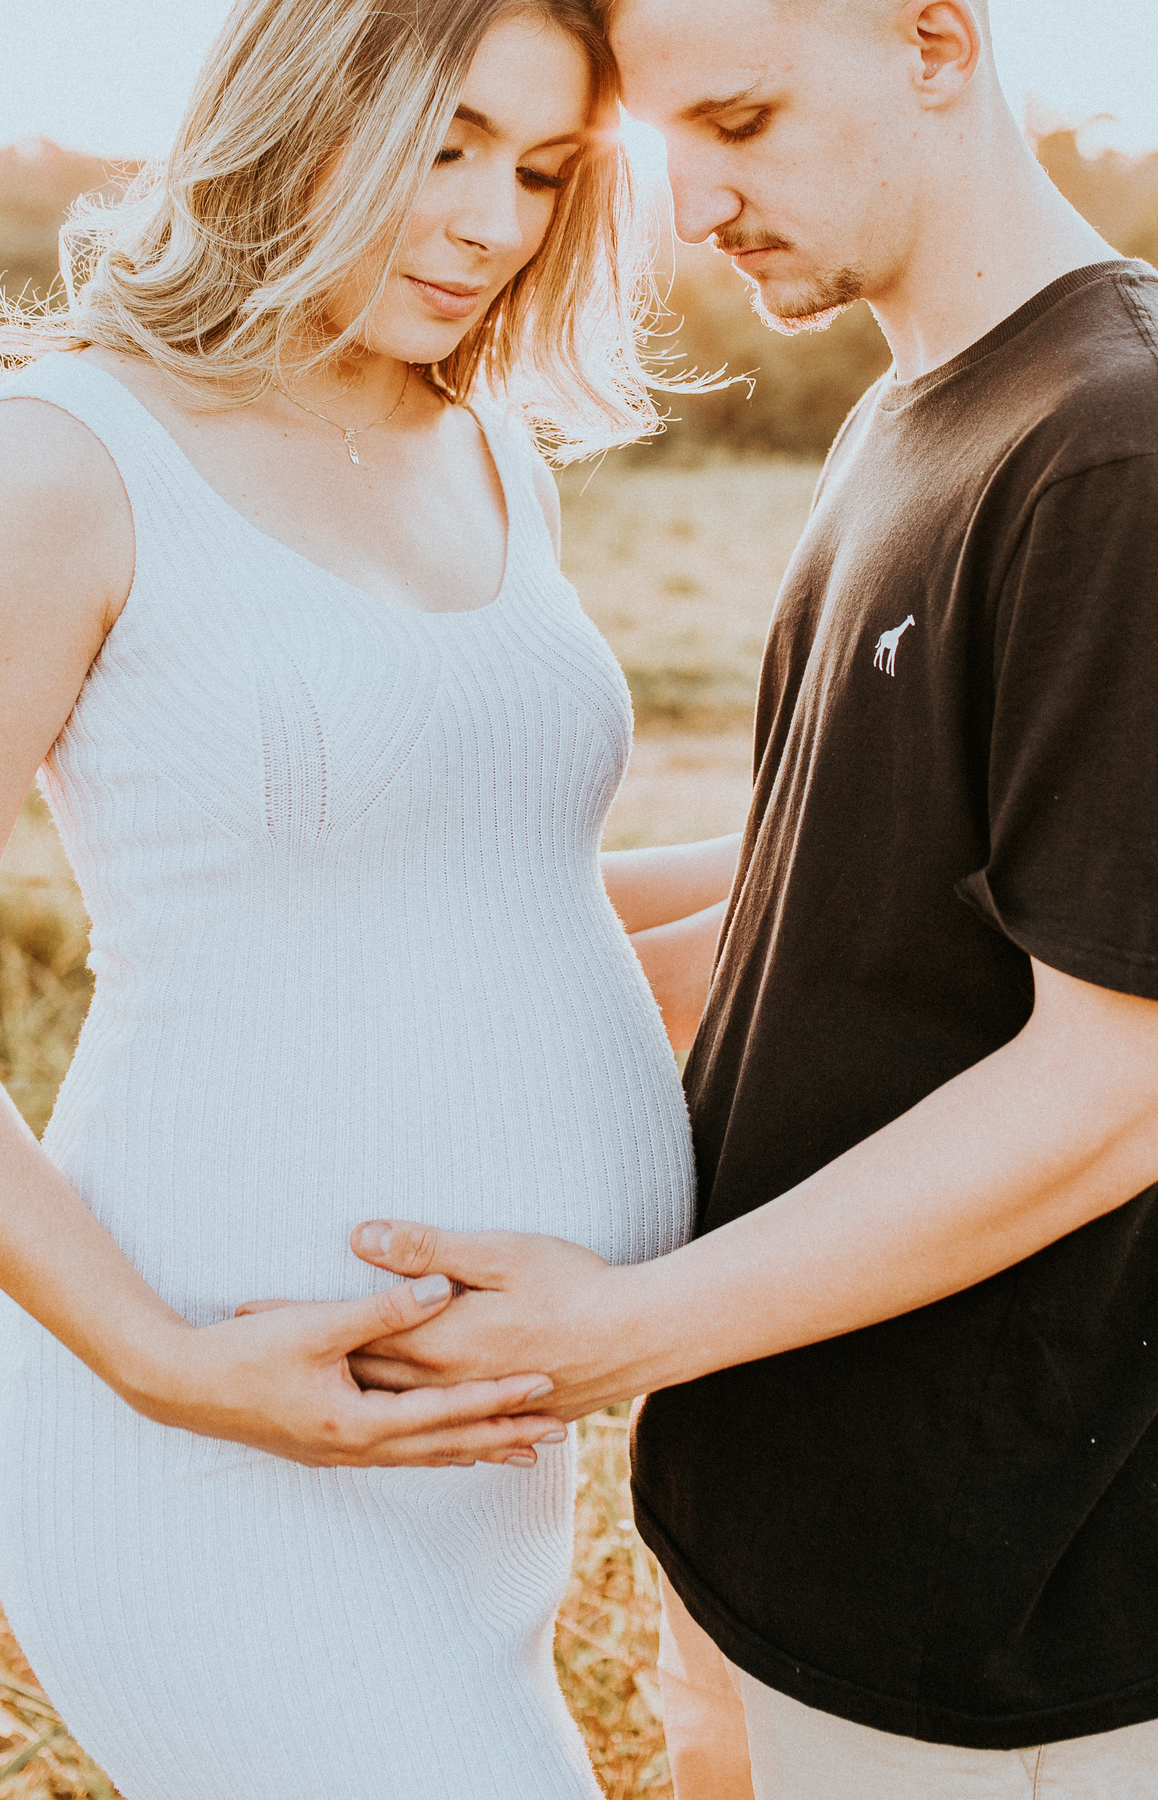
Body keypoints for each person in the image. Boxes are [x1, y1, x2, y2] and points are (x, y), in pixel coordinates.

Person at [332, 1, 1158, 1795]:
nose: (695, 204)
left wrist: (612, 1335)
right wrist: (381, 934)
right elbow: (848, 868)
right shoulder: (919, 404)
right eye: (667, 147)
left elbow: (1142, 1076)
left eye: (740, 123)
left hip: (996, 1617)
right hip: (777, 1519)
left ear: (936, 40)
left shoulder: (1127, 448)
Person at [0, 2, 733, 1794]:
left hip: (476, 1475)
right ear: (293, 110)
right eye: (446, 144)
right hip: (213, 1445)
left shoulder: (487, 452)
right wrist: (163, 1366)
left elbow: (488, 897)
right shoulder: (70, 459)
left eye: (544, 172)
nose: (494, 222)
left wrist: (923, 854)